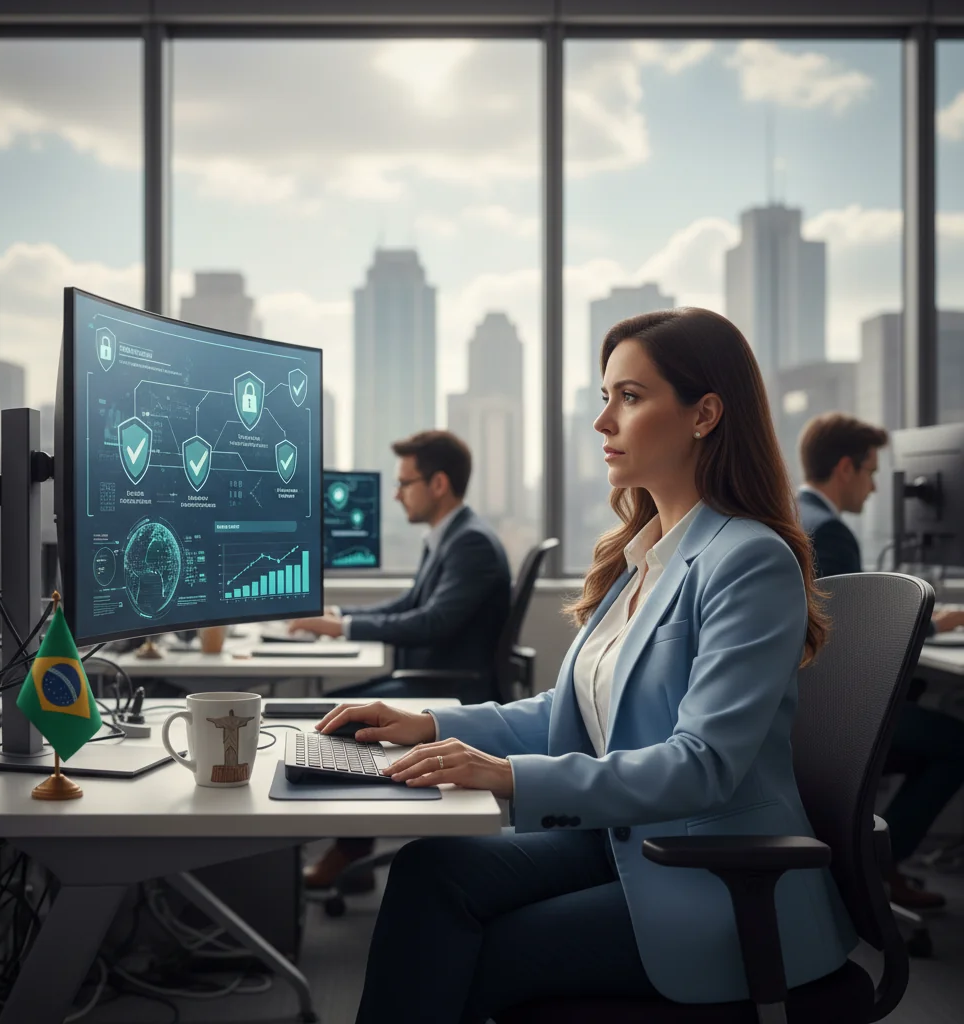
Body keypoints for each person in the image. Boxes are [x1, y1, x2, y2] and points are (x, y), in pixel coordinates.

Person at [316, 308, 857, 1023]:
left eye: (629, 398)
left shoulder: (749, 560)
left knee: (484, 952)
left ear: (704, 414)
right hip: (619, 842)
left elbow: (701, 765)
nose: (603, 422)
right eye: (606, 398)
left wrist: (506, 776)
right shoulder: (643, 557)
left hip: (712, 875)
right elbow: (563, 712)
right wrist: (425, 722)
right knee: (428, 871)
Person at [290, 429, 511, 892]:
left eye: (404, 483)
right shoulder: (449, 536)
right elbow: (409, 602)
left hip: (452, 687)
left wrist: (344, 628)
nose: (395, 494)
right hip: (426, 676)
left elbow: (431, 623)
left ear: (438, 484)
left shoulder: (470, 544)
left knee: (337, 716)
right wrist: (342, 617)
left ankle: (349, 853)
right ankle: (351, 853)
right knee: (334, 709)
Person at [797, 412, 964, 910]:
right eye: (871, 472)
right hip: (832, 713)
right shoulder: (828, 533)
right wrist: (933, 626)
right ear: (845, 468)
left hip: (807, 709)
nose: (873, 489)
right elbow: (851, 642)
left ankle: (876, 860)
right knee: (957, 742)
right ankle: (878, 865)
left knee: (926, 719)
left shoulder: (796, 515)